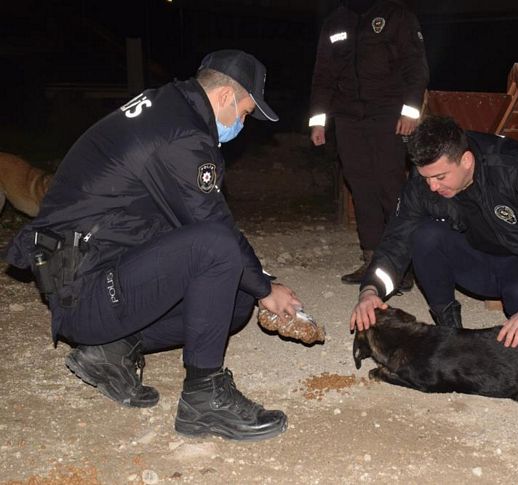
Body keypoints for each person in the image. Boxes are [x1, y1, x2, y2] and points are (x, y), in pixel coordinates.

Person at [3, 49, 302, 441]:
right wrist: (268, 288)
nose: (243, 124)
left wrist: (257, 285)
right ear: (227, 97)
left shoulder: (169, 108)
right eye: (246, 113)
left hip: (95, 276)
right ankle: (204, 397)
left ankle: (112, 348)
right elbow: (214, 227)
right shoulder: (180, 134)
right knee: (217, 246)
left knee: (235, 297)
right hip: (84, 292)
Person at [350, 116, 518, 348]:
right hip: (477, 262)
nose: (433, 186)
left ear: (466, 160)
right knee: (425, 234)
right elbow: (397, 239)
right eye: (427, 177)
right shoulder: (423, 182)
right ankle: (449, 331)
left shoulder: (511, 165)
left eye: (440, 177)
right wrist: (370, 290)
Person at [309, 0, 429, 288]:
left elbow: (416, 67)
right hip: (348, 118)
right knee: (360, 186)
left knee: (390, 185)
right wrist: (318, 120)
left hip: (388, 113)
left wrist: (410, 111)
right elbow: (323, 75)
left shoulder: (396, 15)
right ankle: (372, 258)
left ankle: (403, 263)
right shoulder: (335, 21)